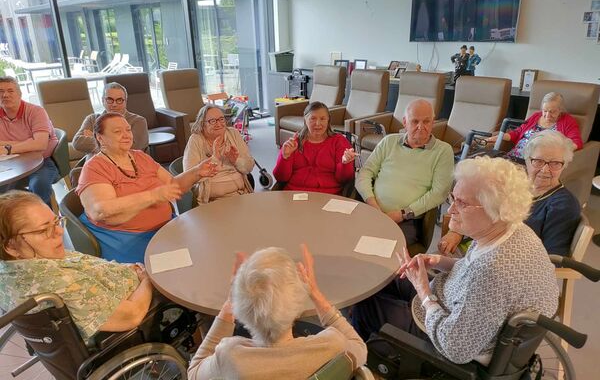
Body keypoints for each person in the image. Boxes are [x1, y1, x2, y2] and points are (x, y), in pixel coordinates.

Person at [352, 156, 559, 365]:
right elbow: (472, 267)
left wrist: (424, 292)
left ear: (495, 210)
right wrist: (438, 261)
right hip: (457, 303)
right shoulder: (511, 230)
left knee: (364, 304)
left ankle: (366, 363)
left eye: (462, 203)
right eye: (453, 199)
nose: (450, 211)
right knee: (384, 279)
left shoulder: (492, 272)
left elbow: (455, 348)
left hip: (445, 341)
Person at [188, 245, 367, 379]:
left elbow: (194, 371)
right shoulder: (331, 345)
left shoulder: (229, 357)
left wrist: (228, 305)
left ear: (240, 308)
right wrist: (315, 293)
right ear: (297, 306)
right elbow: (359, 348)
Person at [0, 190, 153, 343]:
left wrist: (125, 268)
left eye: (55, 222)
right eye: (43, 230)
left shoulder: (16, 267)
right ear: (11, 247)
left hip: (125, 279)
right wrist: (147, 280)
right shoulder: (61, 282)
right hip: (140, 312)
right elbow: (133, 315)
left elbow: (84, 264)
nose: (59, 231)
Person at [76, 113, 218, 263]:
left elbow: (172, 186)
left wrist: (197, 172)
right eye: (117, 132)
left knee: (207, 249)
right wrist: (153, 196)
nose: (126, 135)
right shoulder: (95, 167)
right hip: (128, 240)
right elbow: (101, 210)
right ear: (100, 137)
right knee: (186, 266)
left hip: (164, 229)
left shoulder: (140, 157)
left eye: (128, 130)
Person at [440, 130, 580, 257]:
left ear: (564, 165)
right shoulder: (512, 185)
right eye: (538, 161)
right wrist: (456, 232)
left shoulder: (563, 206)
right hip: (477, 247)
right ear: (527, 159)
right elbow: (475, 207)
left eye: (555, 163)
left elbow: (551, 257)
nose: (545, 170)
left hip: (506, 264)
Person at [355, 99, 453, 246]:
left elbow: (439, 192)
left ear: (433, 122)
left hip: (407, 220)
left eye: (426, 121)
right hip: (372, 210)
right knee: (346, 236)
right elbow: (364, 173)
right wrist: (372, 204)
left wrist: (403, 214)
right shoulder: (389, 142)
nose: (421, 127)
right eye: (415, 121)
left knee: (379, 249)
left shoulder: (443, 151)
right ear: (405, 122)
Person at [272, 101, 356, 195]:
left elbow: (345, 180)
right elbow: (280, 178)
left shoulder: (339, 142)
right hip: (294, 193)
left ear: (328, 121)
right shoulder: (293, 142)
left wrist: (345, 163)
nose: (318, 123)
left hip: (329, 195)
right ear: (305, 120)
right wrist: (285, 157)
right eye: (313, 118)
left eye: (323, 119)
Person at [0, 76, 59, 205]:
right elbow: (34, 142)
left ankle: (44, 222)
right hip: (11, 163)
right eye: (0, 91)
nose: (5, 95)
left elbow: (40, 144)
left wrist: (7, 148)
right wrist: (28, 142)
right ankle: (11, 222)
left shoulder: (36, 111)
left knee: (39, 184)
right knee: (4, 192)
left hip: (42, 161)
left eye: (10, 91)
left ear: (19, 94)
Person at [183, 105, 254, 204]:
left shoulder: (233, 134)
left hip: (240, 195)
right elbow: (189, 177)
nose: (219, 124)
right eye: (213, 121)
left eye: (221, 119)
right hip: (212, 202)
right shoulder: (196, 140)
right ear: (202, 124)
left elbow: (249, 167)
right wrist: (214, 159)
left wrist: (236, 161)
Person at [486, 92, 583, 161]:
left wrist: (558, 152)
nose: (547, 115)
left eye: (552, 112)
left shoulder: (567, 121)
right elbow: (518, 132)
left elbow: (577, 142)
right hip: (515, 156)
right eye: (545, 111)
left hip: (536, 161)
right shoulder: (536, 116)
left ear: (560, 110)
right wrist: (499, 137)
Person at [73, 82, 149, 160]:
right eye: (110, 100)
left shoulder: (138, 121)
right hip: (92, 169)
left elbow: (133, 149)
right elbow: (77, 143)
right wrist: (117, 143)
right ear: (103, 101)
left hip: (123, 169)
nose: (114, 104)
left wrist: (95, 138)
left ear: (125, 102)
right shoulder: (92, 119)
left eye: (119, 100)